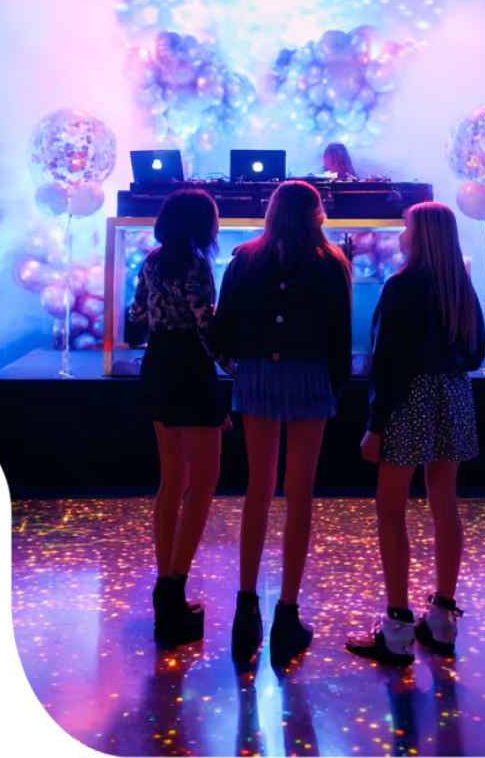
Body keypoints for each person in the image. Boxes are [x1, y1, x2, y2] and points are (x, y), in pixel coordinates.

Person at [209, 179, 353, 666]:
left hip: (256, 374)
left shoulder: (245, 258)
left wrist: (238, 364)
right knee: (299, 494)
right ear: (315, 213)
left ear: (271, 212)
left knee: (257, 489)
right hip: (310, 373)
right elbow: (341, 336)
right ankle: (287, 613)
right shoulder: (332, 263)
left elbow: (221, 326)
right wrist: (335, 383)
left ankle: (245, 609)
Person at [346, 202, 485, 666]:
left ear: (420, 234)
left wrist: (375, 425)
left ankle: (397, 627)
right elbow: (476, 353)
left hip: (408, 398)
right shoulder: (460, 288)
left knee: (391, 509)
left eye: (407, 226)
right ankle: (443, 619)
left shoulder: (401, 286)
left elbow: (386, 364)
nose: (401, 233)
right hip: (453, 394)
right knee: (445, 502)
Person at [125, 188, 229, 648]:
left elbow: (137, 315)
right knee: (205, 481)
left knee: (172, 482)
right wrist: (234, 366)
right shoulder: (196, 264)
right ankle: (173, 586)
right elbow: (207, 325)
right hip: (190, 366)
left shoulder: (151, 261)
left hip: (159, 363)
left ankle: (164, 586)